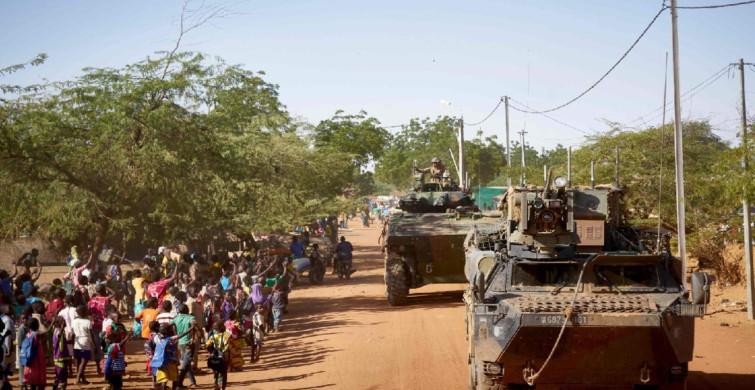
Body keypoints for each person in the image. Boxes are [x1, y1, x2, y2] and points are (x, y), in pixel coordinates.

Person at [172, 305, 197, 389]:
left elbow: (170, 324)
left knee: (186, 362)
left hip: (180, 343)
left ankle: (193, 382)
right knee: (186, 363)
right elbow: (193, 325)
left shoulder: (176, 318)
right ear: (187, 310)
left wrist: (175, 335)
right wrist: (193, 338)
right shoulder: (191, 317)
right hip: (188, 342)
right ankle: (179, 383)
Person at [71, 305, 94, 385]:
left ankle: (83, 379)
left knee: (78, 362)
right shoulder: (88, 322)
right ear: (84, 312)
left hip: (77, 342)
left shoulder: (74, 321)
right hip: (85, 342)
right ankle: (77, 379)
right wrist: (94, 345)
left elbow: (73, 333)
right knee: (83, 362)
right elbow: (91, 335)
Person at [23, 317, 47, 390]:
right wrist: (53, 320)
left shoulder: (28, 334)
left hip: (30, 359)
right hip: (37, 359)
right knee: (38, 376)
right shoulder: (36, 334)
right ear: (37, 325)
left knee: (32, 377)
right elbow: (47, 331)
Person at [205, 321, 229, 390]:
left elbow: (207, 345)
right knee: (224, 372)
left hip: (215, 356)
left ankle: (216, 384)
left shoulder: (212, 337)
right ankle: (223, 388)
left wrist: (211, 352)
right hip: (224, 355)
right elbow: (233, 337)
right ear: (221, 327)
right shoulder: (226, 334)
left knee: (216, 370)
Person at [52, 316, 72, 390]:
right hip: (59, 357)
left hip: (63, 356)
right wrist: (63, 327)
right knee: (61, 375)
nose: (64, 322)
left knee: (62, 375)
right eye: (62, 321)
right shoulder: (57, 330)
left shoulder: (61, 331)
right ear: (58, 323)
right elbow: (58, 336)